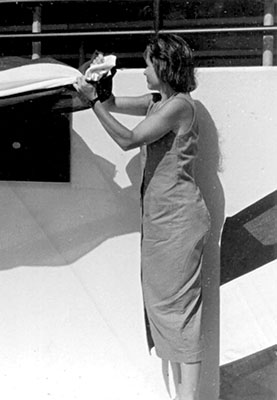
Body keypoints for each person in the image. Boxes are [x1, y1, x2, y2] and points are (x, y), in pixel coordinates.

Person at [74, 34, 211, 400]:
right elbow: (114, 103)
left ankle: (190, 397)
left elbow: (128, 140)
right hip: (162, 220)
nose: (144, 70)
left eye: (149, 63)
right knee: (165, 308)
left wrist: (92, 104)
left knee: (179, 310)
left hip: (179, 220)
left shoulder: (179, 106)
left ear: (164, 67)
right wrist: (100, 85)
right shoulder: (158, 102)